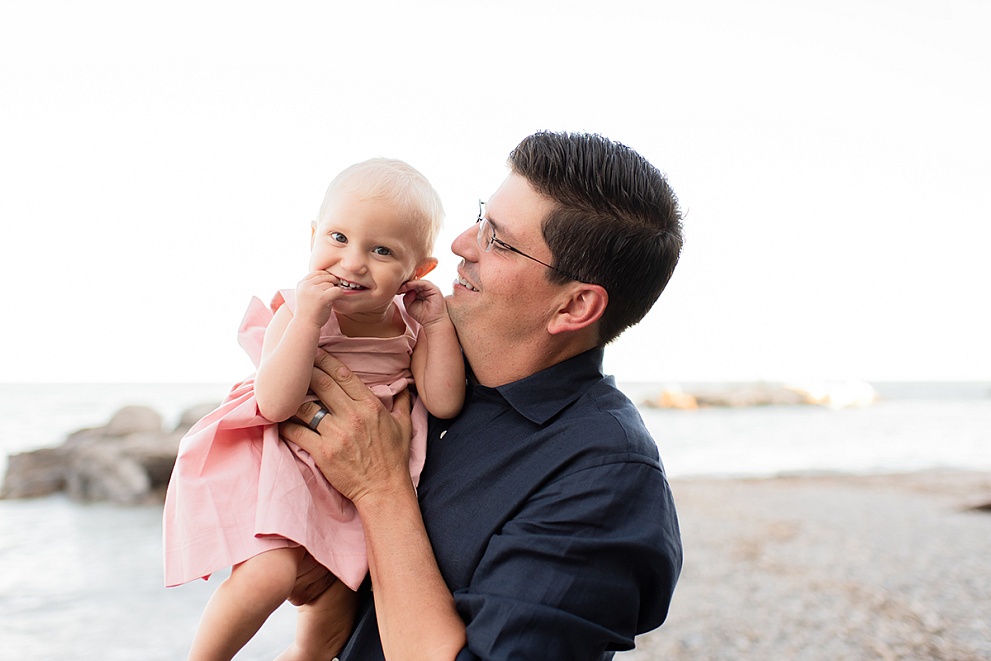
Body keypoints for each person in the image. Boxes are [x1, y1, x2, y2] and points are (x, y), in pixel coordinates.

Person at [281, 130, 685, 660]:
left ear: (574, 306)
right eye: (480, 217)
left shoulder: (606, 480)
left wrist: (379, 490)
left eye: (498, 239)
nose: (459, 245)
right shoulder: (413, 366)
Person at [162, 158, 466, 660]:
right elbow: (275, 402)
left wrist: (435, 327)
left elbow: (444, 401)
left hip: (357, 481)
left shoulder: (410, 328)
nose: (352, 262)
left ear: (418, 271)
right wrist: (306, 321)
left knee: (332, 615)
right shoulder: (296, 311)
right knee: (268, 575)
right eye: (338, 238)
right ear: (312, 235)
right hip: (288, 464)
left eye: (382, 250)